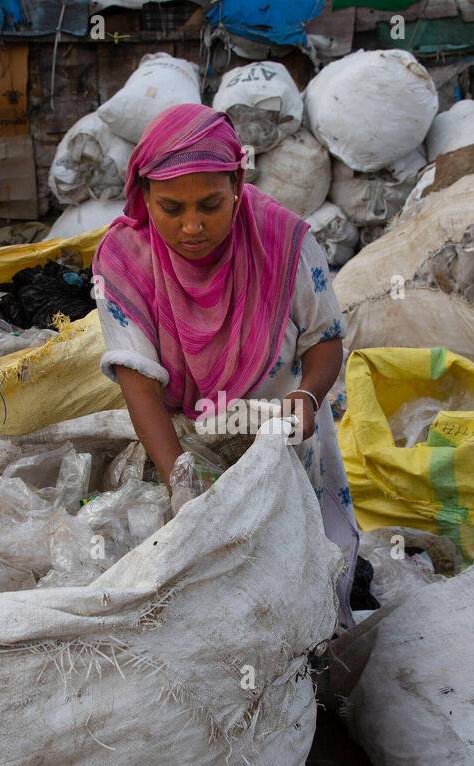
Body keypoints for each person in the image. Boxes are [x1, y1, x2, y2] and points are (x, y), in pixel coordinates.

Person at [92, 103, 357, 623]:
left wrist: (305, 397)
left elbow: (325, 339)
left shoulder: (285, 240)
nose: (192, 226)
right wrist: (183, 484)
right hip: (183, 441)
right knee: (209, 598)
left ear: (237, 183)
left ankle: (320, 662)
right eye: (171, 208)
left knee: (304, 576)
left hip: (285, 436)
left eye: (211, 205)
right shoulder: (123, 259)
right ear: (144, 196)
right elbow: (137, 380)